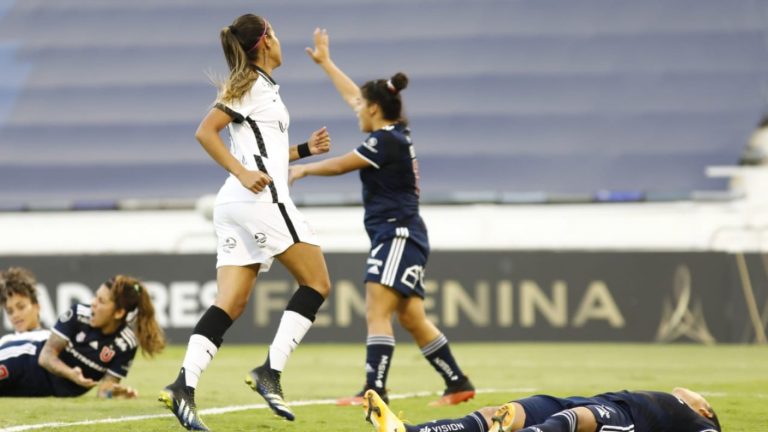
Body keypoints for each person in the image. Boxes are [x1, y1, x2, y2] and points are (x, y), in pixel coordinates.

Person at [158, 13, 333, 431]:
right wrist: (241, 172)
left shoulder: (259, 87)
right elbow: (206, 132)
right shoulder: (252, 84)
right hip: (257, 199)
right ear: (266, 41)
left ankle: (184, 384)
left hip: (235, 204)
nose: (281, 39)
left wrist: (304, 150)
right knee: (318, 283)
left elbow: (263, 154)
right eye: (276, 31)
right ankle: (269, 371)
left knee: (231, 303)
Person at [292, 28, 474, 407]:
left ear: (374, 109)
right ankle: (458, 383)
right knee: (410, 315)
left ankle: (374, 391)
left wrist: (304, 169)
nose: (357, 109)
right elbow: (354, 97)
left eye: (362, 107)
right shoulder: (394, 134)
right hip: (405, 234)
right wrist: (327, 63)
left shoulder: (384, 141)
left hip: (397, 235)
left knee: (377, 309)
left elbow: (344, 163)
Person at [0, 275, 165, 399]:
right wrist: (71, 374)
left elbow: (104, 390)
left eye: (101, 300)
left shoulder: (126, 344)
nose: (93, 302)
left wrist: (115, 393)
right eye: (95, 296)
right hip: (23, 361)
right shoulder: (78, 314)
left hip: (41, 388)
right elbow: (45, 357)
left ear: (119, 312)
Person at [363, 387, 721, 432]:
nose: (686, 390)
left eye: (697, 395)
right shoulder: (673, 400)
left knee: (581, 420)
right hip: (587, 400)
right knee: (496, 413)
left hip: (627, 420)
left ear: (704, 411)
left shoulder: (695, 421)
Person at [0, 267, 49, 346]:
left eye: (21, 307)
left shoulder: (50, 341)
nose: (15, 315)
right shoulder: (4, 343)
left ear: (37, 307)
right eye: (10, 311)